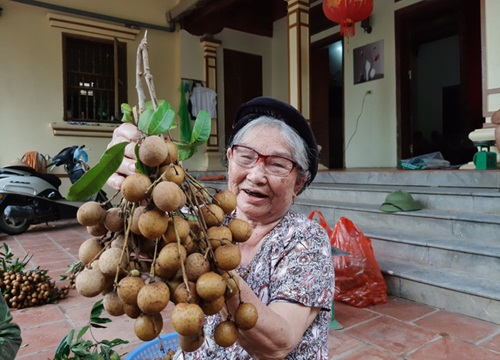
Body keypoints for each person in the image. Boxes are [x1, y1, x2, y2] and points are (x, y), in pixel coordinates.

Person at [108, 96, 335, 359]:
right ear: (229, 158)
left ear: (298, 183)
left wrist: (218, 273)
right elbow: (147, 220)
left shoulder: (306, 239)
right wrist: (133, 167)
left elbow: (277, 345)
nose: (256, 175)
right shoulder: (203, 218)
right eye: (246, 157)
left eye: (277, 164)